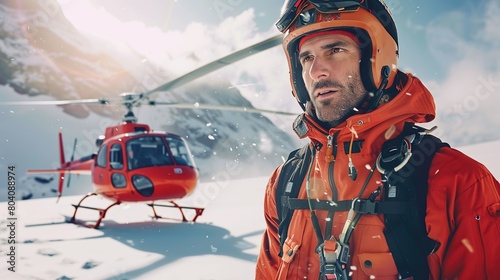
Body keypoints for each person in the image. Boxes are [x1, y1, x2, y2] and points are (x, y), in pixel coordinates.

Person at [255, 1, 500, 279]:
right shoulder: (285, 182)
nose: (316, 72)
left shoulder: (461, 183)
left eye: (335, 50)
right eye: (306, 58)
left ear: (377, 59)